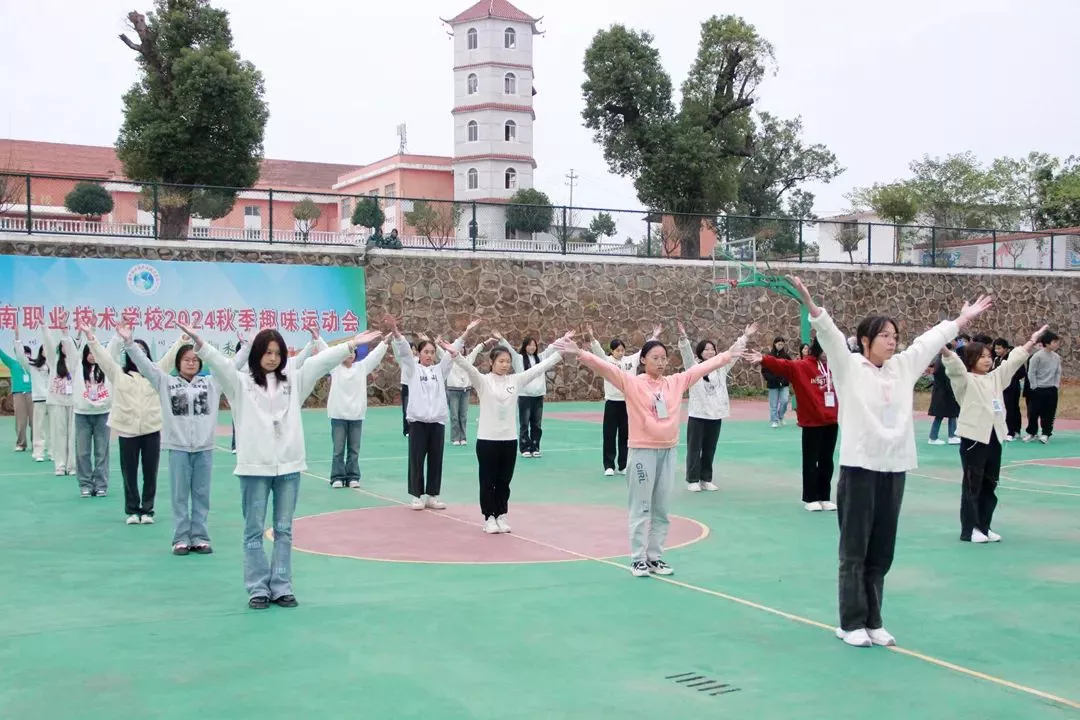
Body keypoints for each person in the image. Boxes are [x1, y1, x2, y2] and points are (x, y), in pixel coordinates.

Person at [790, 275, 991, 648]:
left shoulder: (902, 367)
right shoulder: (849, 366)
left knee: (882, 550)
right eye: (884, 335)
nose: (892, 340)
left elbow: (928, 341)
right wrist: (809, 301)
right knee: (855, 550)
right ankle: (850, 623)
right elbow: (829, 334)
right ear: (865, 340)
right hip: (859, 469)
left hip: (894, 469)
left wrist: (961, 320)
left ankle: (874, 621)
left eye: (894, 335)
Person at [181, 322, 381, 609]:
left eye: (277, 353)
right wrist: (201, 345)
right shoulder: (240, 384)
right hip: (254, 469)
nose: (272, 358)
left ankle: (282, 586)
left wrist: (349, 346)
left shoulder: (293, 382)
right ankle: (257, 588)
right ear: (257, 354)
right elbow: (221, 365)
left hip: (288, 468)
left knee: (284, 530)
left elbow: (319, 363)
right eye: (267, 352)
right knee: (253, 531)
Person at [556, 326, 752, 577]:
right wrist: (580, 353)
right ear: (643, 360)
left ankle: (655, 557)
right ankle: (638, 559)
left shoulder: (675, 382)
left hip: (668, 452)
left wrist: (729, 354)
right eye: (655, 358)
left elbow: (702, 368)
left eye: (663, 358)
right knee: (641, 507)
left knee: (661, 509)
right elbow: (606, 368)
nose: (660, 362)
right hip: (642, 453)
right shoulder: (632, 383)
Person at [439, 335, 566, 534]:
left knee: (504, 481)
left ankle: (501, 514)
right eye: (501, 361)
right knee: (487, 480)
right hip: (487, 440)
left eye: (507, 361)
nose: (505, 365)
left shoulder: (516, 380)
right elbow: (468, 368)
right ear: (492, 362)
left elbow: (538, 369)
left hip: (509, 439)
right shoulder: (483, 381)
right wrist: (455, 354)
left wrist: (561, 353)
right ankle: (489, 517)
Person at [121, 326, 224, 556]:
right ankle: (180, 538)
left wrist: (247, 346)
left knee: (201, 495)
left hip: (204, 449)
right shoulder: (166, 382)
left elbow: (231, 366)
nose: (191, 363)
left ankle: (200, 537)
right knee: (179, 496)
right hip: (178, 449)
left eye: (195, 359)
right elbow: (146, 367)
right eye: (186, 359)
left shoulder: (211, 383)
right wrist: (129, 344)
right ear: (178, 363)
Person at [941, 326, 1045, 544]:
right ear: (971, 359)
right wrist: (944, 350)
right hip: (974, 438)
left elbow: (1013, 362)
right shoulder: (965, 380)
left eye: (989, 356)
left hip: (994, 437)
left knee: (990, 484)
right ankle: (969, 530)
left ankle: (984, 526)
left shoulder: (995, 377)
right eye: (981, 357)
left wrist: (1031, 341)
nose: (987, 360)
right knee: (973, 485)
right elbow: (954, 368)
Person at [744, 337, 839, 512]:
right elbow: (783, 365)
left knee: (827, 461)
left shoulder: (836, 366)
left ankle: (825, 497)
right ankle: (811, 498)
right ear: (818, 349)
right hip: (812, 422)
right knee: (811, 461)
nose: (828, 353)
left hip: (831, 420)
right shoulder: (802, 366)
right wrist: (764, 359)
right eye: (826, 349)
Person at [677, 321, 756, 492]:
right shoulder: (694, 367)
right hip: (698, 415)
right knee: (694, 449)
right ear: (700, 352)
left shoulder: (721, 367)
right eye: (706, 349)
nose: (710, 352)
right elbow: (686, 354)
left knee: (710, 449)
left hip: (715, 415)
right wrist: (683, 339)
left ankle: (706, 479)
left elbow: (732, 354)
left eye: (712, 349)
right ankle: (693, 480)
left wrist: (745, 336)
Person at [388, 315, 457, 509]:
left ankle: (433, 495)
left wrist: (466, 334)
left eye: (432, 352)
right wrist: (395, 332)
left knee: (436, 460)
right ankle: (417, 495)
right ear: (418, 353)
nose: (429, 355)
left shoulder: (439, 371)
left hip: (437, 423)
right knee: (417, 459)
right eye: (426, 352)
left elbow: (451, 355)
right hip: (418, 422)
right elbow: (403, 351)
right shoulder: (412, 369)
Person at [587, 323, 661, 476]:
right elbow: (598, 351)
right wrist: (592, 337)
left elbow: (644, 349)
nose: (620, 353)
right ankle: (609, 465)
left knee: (625, 435)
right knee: (609, 434)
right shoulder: (607, 361)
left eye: (622, 350)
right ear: (612, 351)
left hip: (628, 403)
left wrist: (654, 336)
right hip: (611, 403)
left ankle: (623, 465)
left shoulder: (631, 360)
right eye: (617, 350)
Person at [326, 336, 389, 489]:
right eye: (347, 351)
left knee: (354, 449)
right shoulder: (334, 367)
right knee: (338, 449)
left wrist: (385, 342)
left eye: (353, 352)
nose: (350, 354)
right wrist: (316, 338)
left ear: (355, 355)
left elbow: (375, 356)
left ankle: (353, 476)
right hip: (338, 416)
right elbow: (325, 353)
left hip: (356, 416)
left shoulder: (361, 367)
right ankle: (337, 477)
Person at [495, 332, 563, 458]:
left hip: (538, 395)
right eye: (529, 345)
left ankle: (535, 447)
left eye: (534, 345)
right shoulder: (518, 359)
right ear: (525, 346)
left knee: (537, 424)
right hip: (524, 396)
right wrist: (501, 339)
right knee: (525, 423)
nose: (532, 347)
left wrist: (565, 338)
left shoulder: (541, 358)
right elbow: (510, 350)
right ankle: (525, 448)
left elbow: (552, 347)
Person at [64, 331, 115, 498]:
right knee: (82, 452)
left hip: (103, 414)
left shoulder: (107, 367)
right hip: (82, 415)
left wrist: (120, 334)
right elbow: (70, 349)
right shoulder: (77, 367)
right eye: (89, 353)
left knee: (102, 452)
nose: (92, 356)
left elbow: (114, 347)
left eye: (95, 353)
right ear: (84, 354)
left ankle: (101, 485)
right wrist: (64, 332)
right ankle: (85, 484)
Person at [10, 331, 50, 460]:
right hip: (39, 400)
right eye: (44, 349)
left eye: (48, 348)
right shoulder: (33, 365)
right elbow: (22, 357)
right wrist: (17, 339)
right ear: (40, 352)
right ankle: (38, 453)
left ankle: (52, 451)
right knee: (38, 426)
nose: (46, 351)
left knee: (52, 428)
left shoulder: (56, 367)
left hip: (53, 400)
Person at [1024, 331, 1062, 444]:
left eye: (1057, 342)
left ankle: (1046, 434)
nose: (1057, 344)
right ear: (1047, 343)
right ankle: (1032, 433)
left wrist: (1055, 385)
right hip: (1038, 389)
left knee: (1049, 413)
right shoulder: (1037, 356)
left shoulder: (1056, 357)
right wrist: (1034, 386)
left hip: (1051, 389)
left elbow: (1058, 372)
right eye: (1054, 342)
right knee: (1033, 413)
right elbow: (1031, 372)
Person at [0, 343, 33, 452]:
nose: (25, 355)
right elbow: (2, 355)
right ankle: (21, 444)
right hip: (18, 394)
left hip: (32, 394)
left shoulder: (34, 365)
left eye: (27, 353)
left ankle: (36, 443)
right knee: (20, 421)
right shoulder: (13, 363)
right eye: (23, 353)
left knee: (34, 421)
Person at [927, 345, 960, 445]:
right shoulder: (943, 361)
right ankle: (945, 436)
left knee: (947, 415)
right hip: (945, 392)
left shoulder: (939, 359)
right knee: (949, 414)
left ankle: (946, 436)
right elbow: (947, 378)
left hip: (942, 392)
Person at [762, 337, 792, 428]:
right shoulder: (769, 356)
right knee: (773, 404)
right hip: (773, 384)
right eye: (779, 344)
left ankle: (780, 416)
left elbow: (791, 368)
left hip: (784, 383)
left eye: (782, 344)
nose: (780, 346)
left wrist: (786, 379)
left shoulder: (786, 356)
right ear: (775, 344)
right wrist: (770, 378)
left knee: (785, 401)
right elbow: (764, 370)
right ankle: (774, 420)